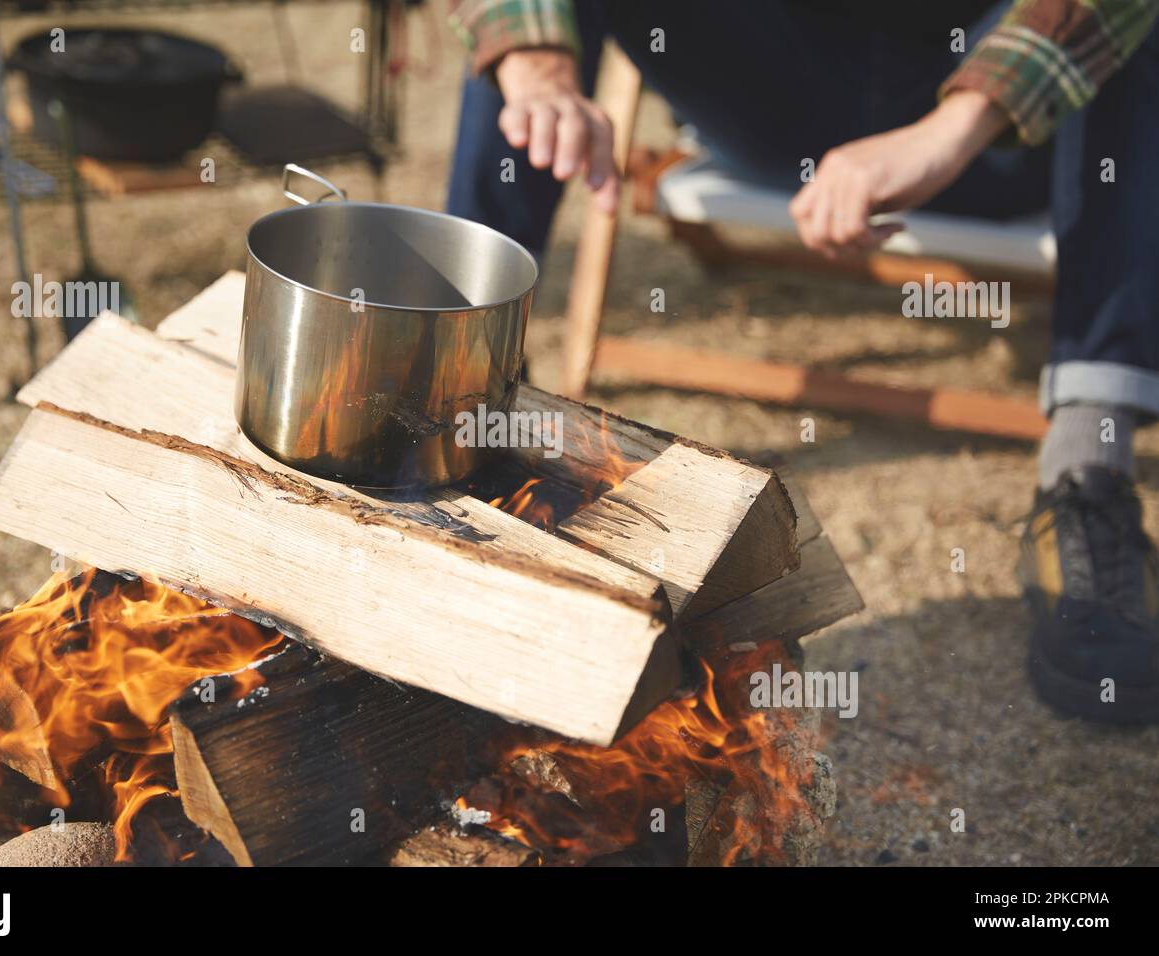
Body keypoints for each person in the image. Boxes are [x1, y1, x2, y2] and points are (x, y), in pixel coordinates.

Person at [445, 0, 1159, 723]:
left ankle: (1087, 476)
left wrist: (950, 129)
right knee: (531, 31)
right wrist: (536, 72)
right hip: (774, 95)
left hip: (1000, 130)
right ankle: (461, 410)